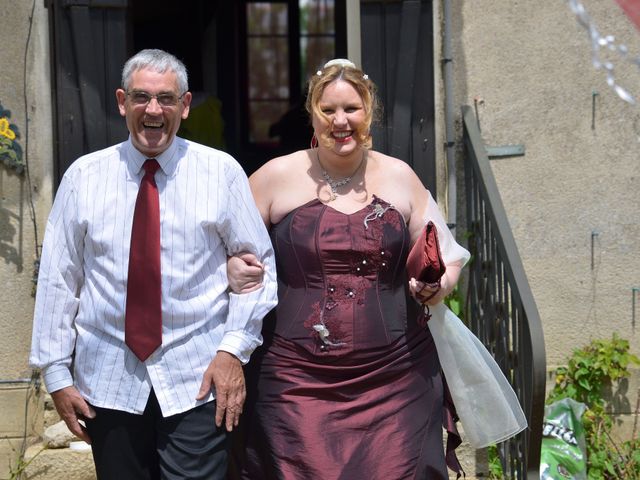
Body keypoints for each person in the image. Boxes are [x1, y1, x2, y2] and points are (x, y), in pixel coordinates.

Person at [29, 49, 277, 480]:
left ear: (184, 105)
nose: (153, 110)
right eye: (142, 97)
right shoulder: (84, 177)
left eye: (166, 98)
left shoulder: (221, 173)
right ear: (122, 102)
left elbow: (260, 272)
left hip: (198, 378)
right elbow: (58, 278)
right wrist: (55, 371)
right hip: (106, 380)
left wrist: (233, 351)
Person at [226, 59, 471, 479]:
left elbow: (446, 257)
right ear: (313, 114)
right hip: (294, 377)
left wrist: (439, 285)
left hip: (397, 374)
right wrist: (231, 269)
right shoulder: (272, 177)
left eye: (352, 109)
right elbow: (222, 251)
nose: (341, 121)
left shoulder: (400, 176)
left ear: (368, 112)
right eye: (329, 110)